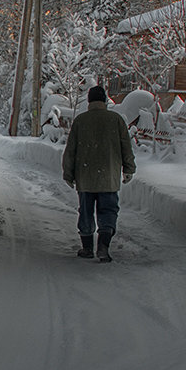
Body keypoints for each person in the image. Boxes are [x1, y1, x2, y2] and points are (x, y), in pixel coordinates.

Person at [61, 84, 136, 262]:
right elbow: (126, 147)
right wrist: (129, 169)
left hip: (85, 176)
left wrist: (68, 173)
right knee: (108, 210)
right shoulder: (116, 120)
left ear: (89, 101)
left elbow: (70, 149)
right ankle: (103, 246)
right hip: (108, 176)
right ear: (104, 100)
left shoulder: (81, 121)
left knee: (86, 211)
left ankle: (87, 248)